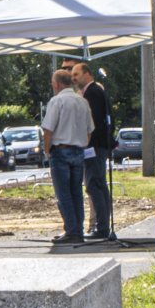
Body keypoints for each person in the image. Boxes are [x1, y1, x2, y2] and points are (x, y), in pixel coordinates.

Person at [41, 69, 92, 244]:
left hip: (60, 150)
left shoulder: (57, 101)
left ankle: (71, 230)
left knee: (64, 194)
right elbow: (89, 130)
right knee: (76, 192)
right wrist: (81, 144)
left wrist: (47, 150)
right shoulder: (82, 101)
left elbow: (48, 129)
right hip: (78, 150)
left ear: (57, 84)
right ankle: (78, 229)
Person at [67, 60, 115, 241]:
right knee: (97, 185)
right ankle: (101, 225)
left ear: (87, 74)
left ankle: (102, 227)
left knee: (95, 184)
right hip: (96, 146)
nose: (73, 78)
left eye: (76, 75)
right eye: (71, 76)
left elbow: (91, 122)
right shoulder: (93, 91)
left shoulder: (94, 93)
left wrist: (85, 142)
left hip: (94, 146)